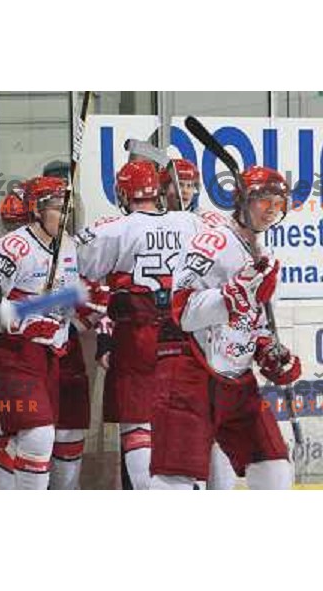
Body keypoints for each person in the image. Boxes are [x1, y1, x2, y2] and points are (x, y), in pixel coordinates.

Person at [150, 166, 299, 490]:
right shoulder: (212, 241)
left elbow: (252, 318)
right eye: (263, 199)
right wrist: (231, 296)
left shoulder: (263, 254)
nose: (272, 208)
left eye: (278, 200)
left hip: (234, 379)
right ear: (242, 199)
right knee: (177, 476)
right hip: (187, 367)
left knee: (273, 467)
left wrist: (267, 350)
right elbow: (184, 312)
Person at [76, 160, 202, 489]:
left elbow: (83, 267)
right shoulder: (189, 222)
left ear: (123, 193)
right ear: (158, 191)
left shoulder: (115, 229)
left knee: (137, 426)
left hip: (137, 332)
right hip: (183, 331)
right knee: (180, 422)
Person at [0, 176, 79, 490]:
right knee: (39, 434)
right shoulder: (13, 248)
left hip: (48, 357)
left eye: (67, 208)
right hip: (12, 355)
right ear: (36, 210)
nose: (65, 215)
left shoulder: (67, 246)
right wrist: (24, 321)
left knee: (19, 442)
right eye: (58, 208)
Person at [159, 157, 236, 490]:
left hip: (208, 330)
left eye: (191, 185)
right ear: (161, 190)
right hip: (166, 328)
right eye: (179, 184)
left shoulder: (212, 221)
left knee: (219, 423)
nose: (185, 191)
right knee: (177, 423)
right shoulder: (151, 223)